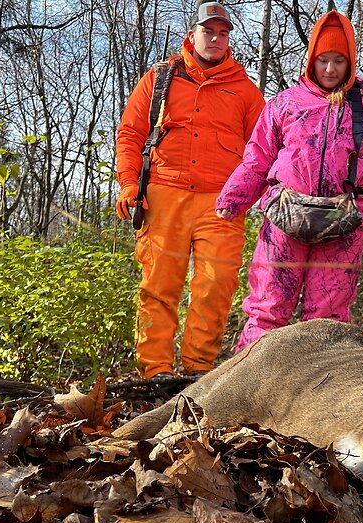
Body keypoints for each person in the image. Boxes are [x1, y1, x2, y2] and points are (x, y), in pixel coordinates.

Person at [216, 10, 363, 351]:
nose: (331, 69)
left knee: (328, 316)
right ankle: (248, 381)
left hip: (343, 222)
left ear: (349, 63)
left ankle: (319, 390)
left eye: (339, 60)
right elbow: (257, 157)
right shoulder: (284, 104)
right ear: (312, 61)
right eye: (323, 60)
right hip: (285, 214)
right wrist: (232, 199)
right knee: (267, 306)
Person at [114, 2, 265, 378]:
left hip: (223, 205)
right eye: (208, 31)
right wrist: (130, 183)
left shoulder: (245, 91)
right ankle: (155, 372)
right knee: (159, 286)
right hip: (165, 195)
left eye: (223, 33)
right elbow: (131, 133)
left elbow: (264, 149)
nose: (215, 38)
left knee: (216, 285)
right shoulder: (161, 77)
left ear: (229, 38)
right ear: (193, 33)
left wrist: (261, 196)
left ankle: (198, 371)